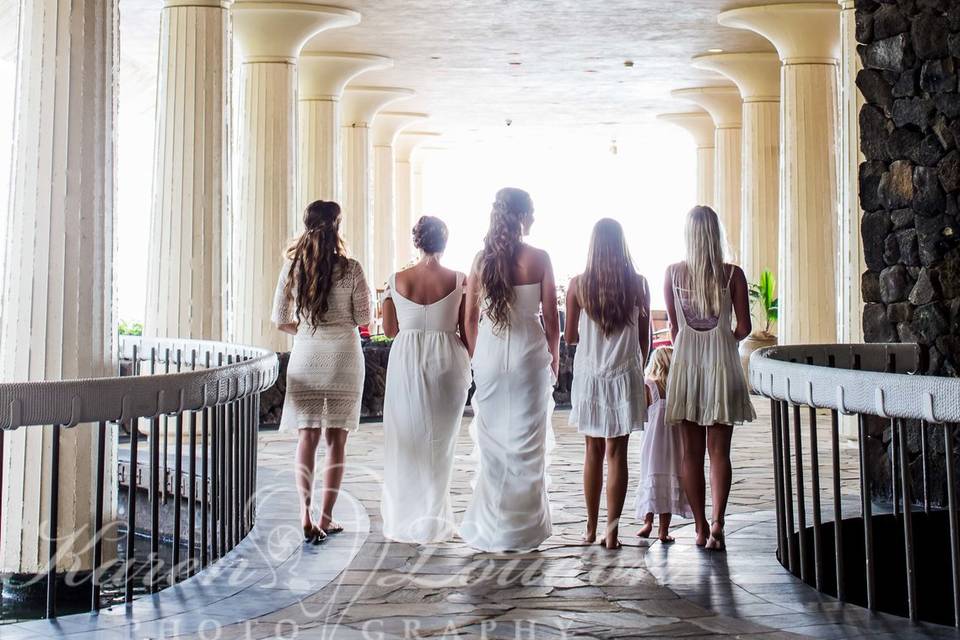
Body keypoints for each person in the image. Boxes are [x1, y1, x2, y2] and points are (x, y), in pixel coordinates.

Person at [460, 187, 560, 553]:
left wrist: (477, 355)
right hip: (528, 354)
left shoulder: (480, 260)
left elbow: (469, 318)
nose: (533, 219)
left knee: (494, 443)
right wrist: (555, 358)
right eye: (531, 213)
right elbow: (551, 318)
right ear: (521, 216)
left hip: (489, 353)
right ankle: (523, 530)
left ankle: (493, 525)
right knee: (527, 442)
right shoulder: (540, 258)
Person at [271, 200, 371, 544]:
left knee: (307, 437)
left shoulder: (292, 268)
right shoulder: (353, 268)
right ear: (337, 225)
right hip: (344, 355)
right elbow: (363, 318)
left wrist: (310, 332)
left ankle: (305, 513)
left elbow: (281, 319)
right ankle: (327, 517)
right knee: (336, 440)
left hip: (308, 353)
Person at [664, 205, 755, 551]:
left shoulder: (672, 274)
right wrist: (723, 342)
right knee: (720, 453)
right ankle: (718, 522)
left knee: (691, 453)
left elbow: (674, 328)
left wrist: (692, 345)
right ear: (716, 234)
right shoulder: (733, 275)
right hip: (721, 366)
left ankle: (700, 528)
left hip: (687, 367)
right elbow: (744, 327)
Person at [379, 216, 471, 543]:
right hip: (448, 359)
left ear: (417, 242)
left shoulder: (396, 280)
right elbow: (465, 328)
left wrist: (391, 301)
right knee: (440, 444)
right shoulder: (460, 279)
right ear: (444, 243)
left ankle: (408, 517)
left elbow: (390, 331)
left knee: (409, 439)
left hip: (407, 360)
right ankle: (435, 517)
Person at [565, 218, 650, 550]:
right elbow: (644, 342)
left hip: (590, 375)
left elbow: (570, 336)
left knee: (592, 451)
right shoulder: (639, 284)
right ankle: (612, 533)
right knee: (618, 454)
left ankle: (589, 527)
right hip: (624, 373)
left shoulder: (578, 286)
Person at [635, 346, 690, 543]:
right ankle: (663, 531)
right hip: (674, 446)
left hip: (652, 444)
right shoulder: (677, 388)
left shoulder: (648, 385)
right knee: (668, 482)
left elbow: (641, 412)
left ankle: (647, 522)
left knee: (651, 477)